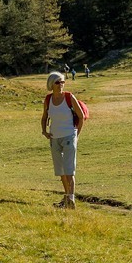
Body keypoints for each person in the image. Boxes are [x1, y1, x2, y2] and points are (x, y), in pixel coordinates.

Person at [41, 70, 84, 209]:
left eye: (63, 82)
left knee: (69, 170)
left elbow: (81, 116)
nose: (61, 85)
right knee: (60, 171)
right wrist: (44, 132)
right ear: (51, 85)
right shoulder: (48, 99)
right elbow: (44, 117)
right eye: (58, 82)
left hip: (69, 136)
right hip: (54, 138)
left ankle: (71, 199)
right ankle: (67, 198)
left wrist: (76, 135)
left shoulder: (69, 97)